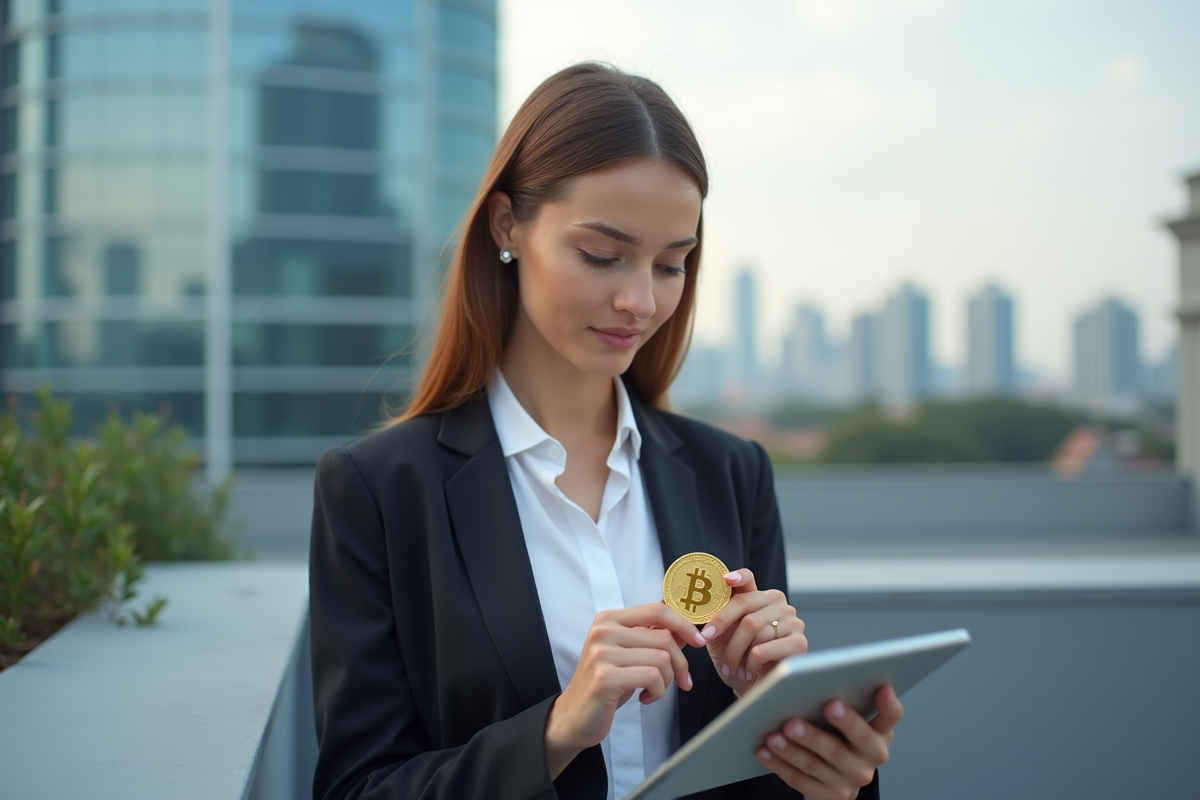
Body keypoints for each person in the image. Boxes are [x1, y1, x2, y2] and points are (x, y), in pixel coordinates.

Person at [309, 62, 904, 800]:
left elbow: (751, 773)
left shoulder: (730, 472)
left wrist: (829, 770)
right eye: (601, 255)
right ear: (507, 226)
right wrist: (556, 731)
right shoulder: (379, 491)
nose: (639, 301)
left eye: (672, 265)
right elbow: (357, 789)